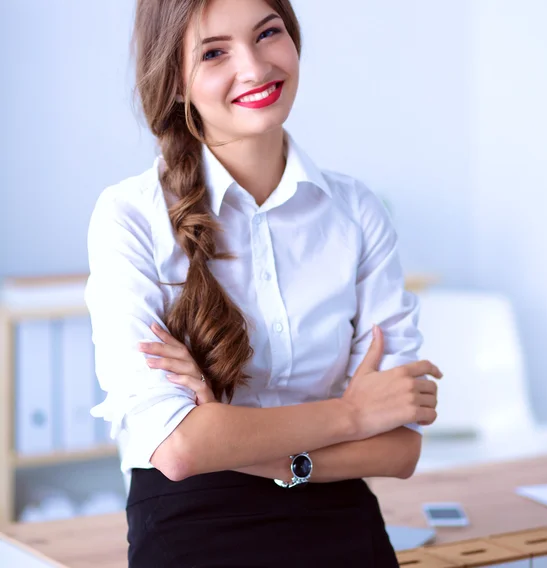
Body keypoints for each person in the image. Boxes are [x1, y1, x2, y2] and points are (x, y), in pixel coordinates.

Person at [84, 0, 443, 566]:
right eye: (214, 52)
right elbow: (178, 451)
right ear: (175, 80)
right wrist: (350, 415)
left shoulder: (354, 210)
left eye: (268, 33)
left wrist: (261, 450)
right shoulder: (130, 216)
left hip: (339, 517)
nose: (253, 67)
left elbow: (400, 446)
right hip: (191, 526)